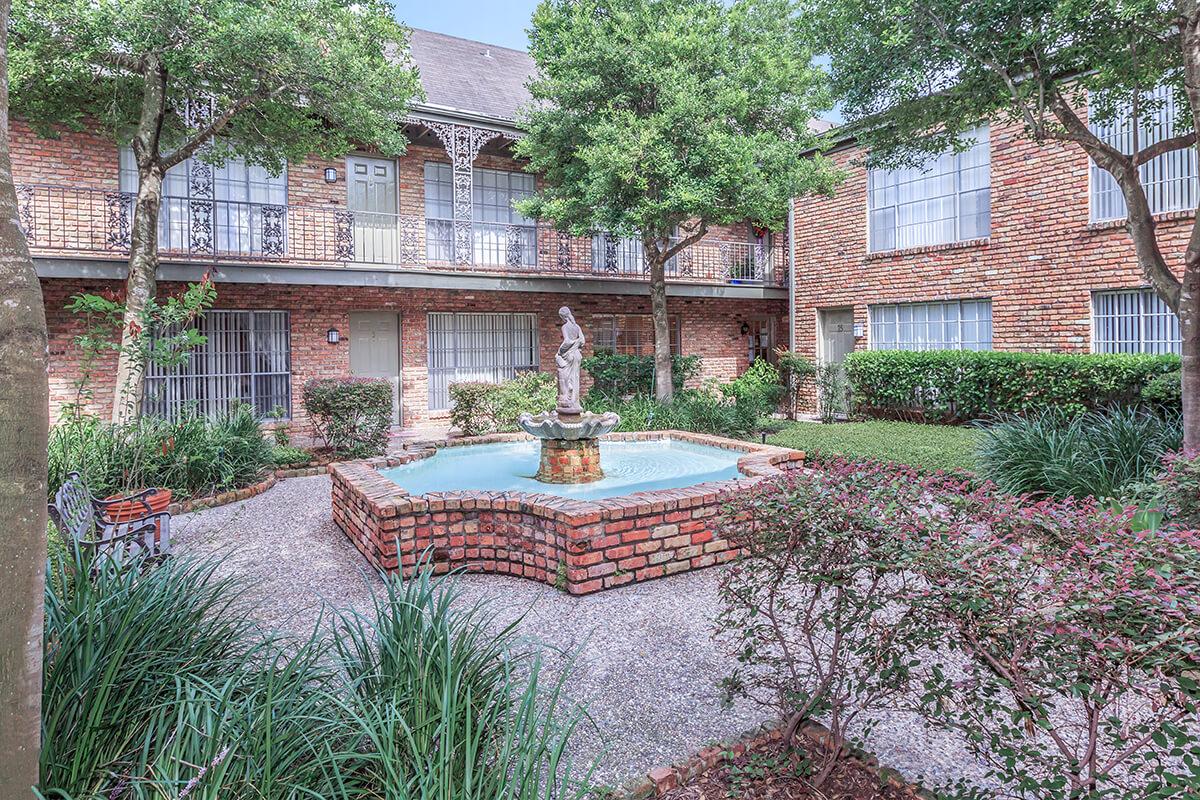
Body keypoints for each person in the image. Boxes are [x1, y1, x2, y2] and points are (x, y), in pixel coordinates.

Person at [555, 306, 584, 415]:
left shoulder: (565, 327)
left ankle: (567, 397)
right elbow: (582, 341)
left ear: (562, 316)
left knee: (566, 376)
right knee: (575, 377)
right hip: (577, 355)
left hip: (569, 354)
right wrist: (576, 344)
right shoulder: (577, 327)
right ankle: (575, 402)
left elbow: (567, 341)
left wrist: (560, 351)